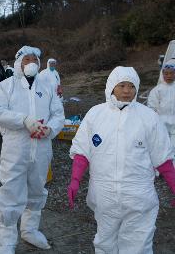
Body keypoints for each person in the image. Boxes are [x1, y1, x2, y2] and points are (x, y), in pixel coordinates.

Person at [68, 66, 175, 253]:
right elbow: (82, 151)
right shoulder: (96, 114)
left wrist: (174, 185)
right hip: (104, 195)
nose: (127, 91)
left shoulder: (148, 117)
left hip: (139, 196)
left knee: (138, 245)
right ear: (111, 86)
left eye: (132, 86)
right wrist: (75, 180)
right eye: (122, 85)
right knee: (105, 243)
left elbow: (163, 157)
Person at [0, 46, 65, 254]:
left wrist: (49, 128)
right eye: (26, 59)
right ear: (18, 63)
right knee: (11, 193)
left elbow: (58, 114)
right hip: (15, 150)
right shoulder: (6, 86)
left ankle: (29, 230)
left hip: (41, 149)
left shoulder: (47, 86)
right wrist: (24, 120)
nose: (30, 62)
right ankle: (6, 242)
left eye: (34, 59)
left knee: (37, 189)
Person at [148, 61, 175, 150]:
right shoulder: (157, 90)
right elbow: (152, 107)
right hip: (162, 122)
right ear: (162, 74)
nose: (169, 76)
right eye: (166, 73)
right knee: (163, 146)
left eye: (171, 73)